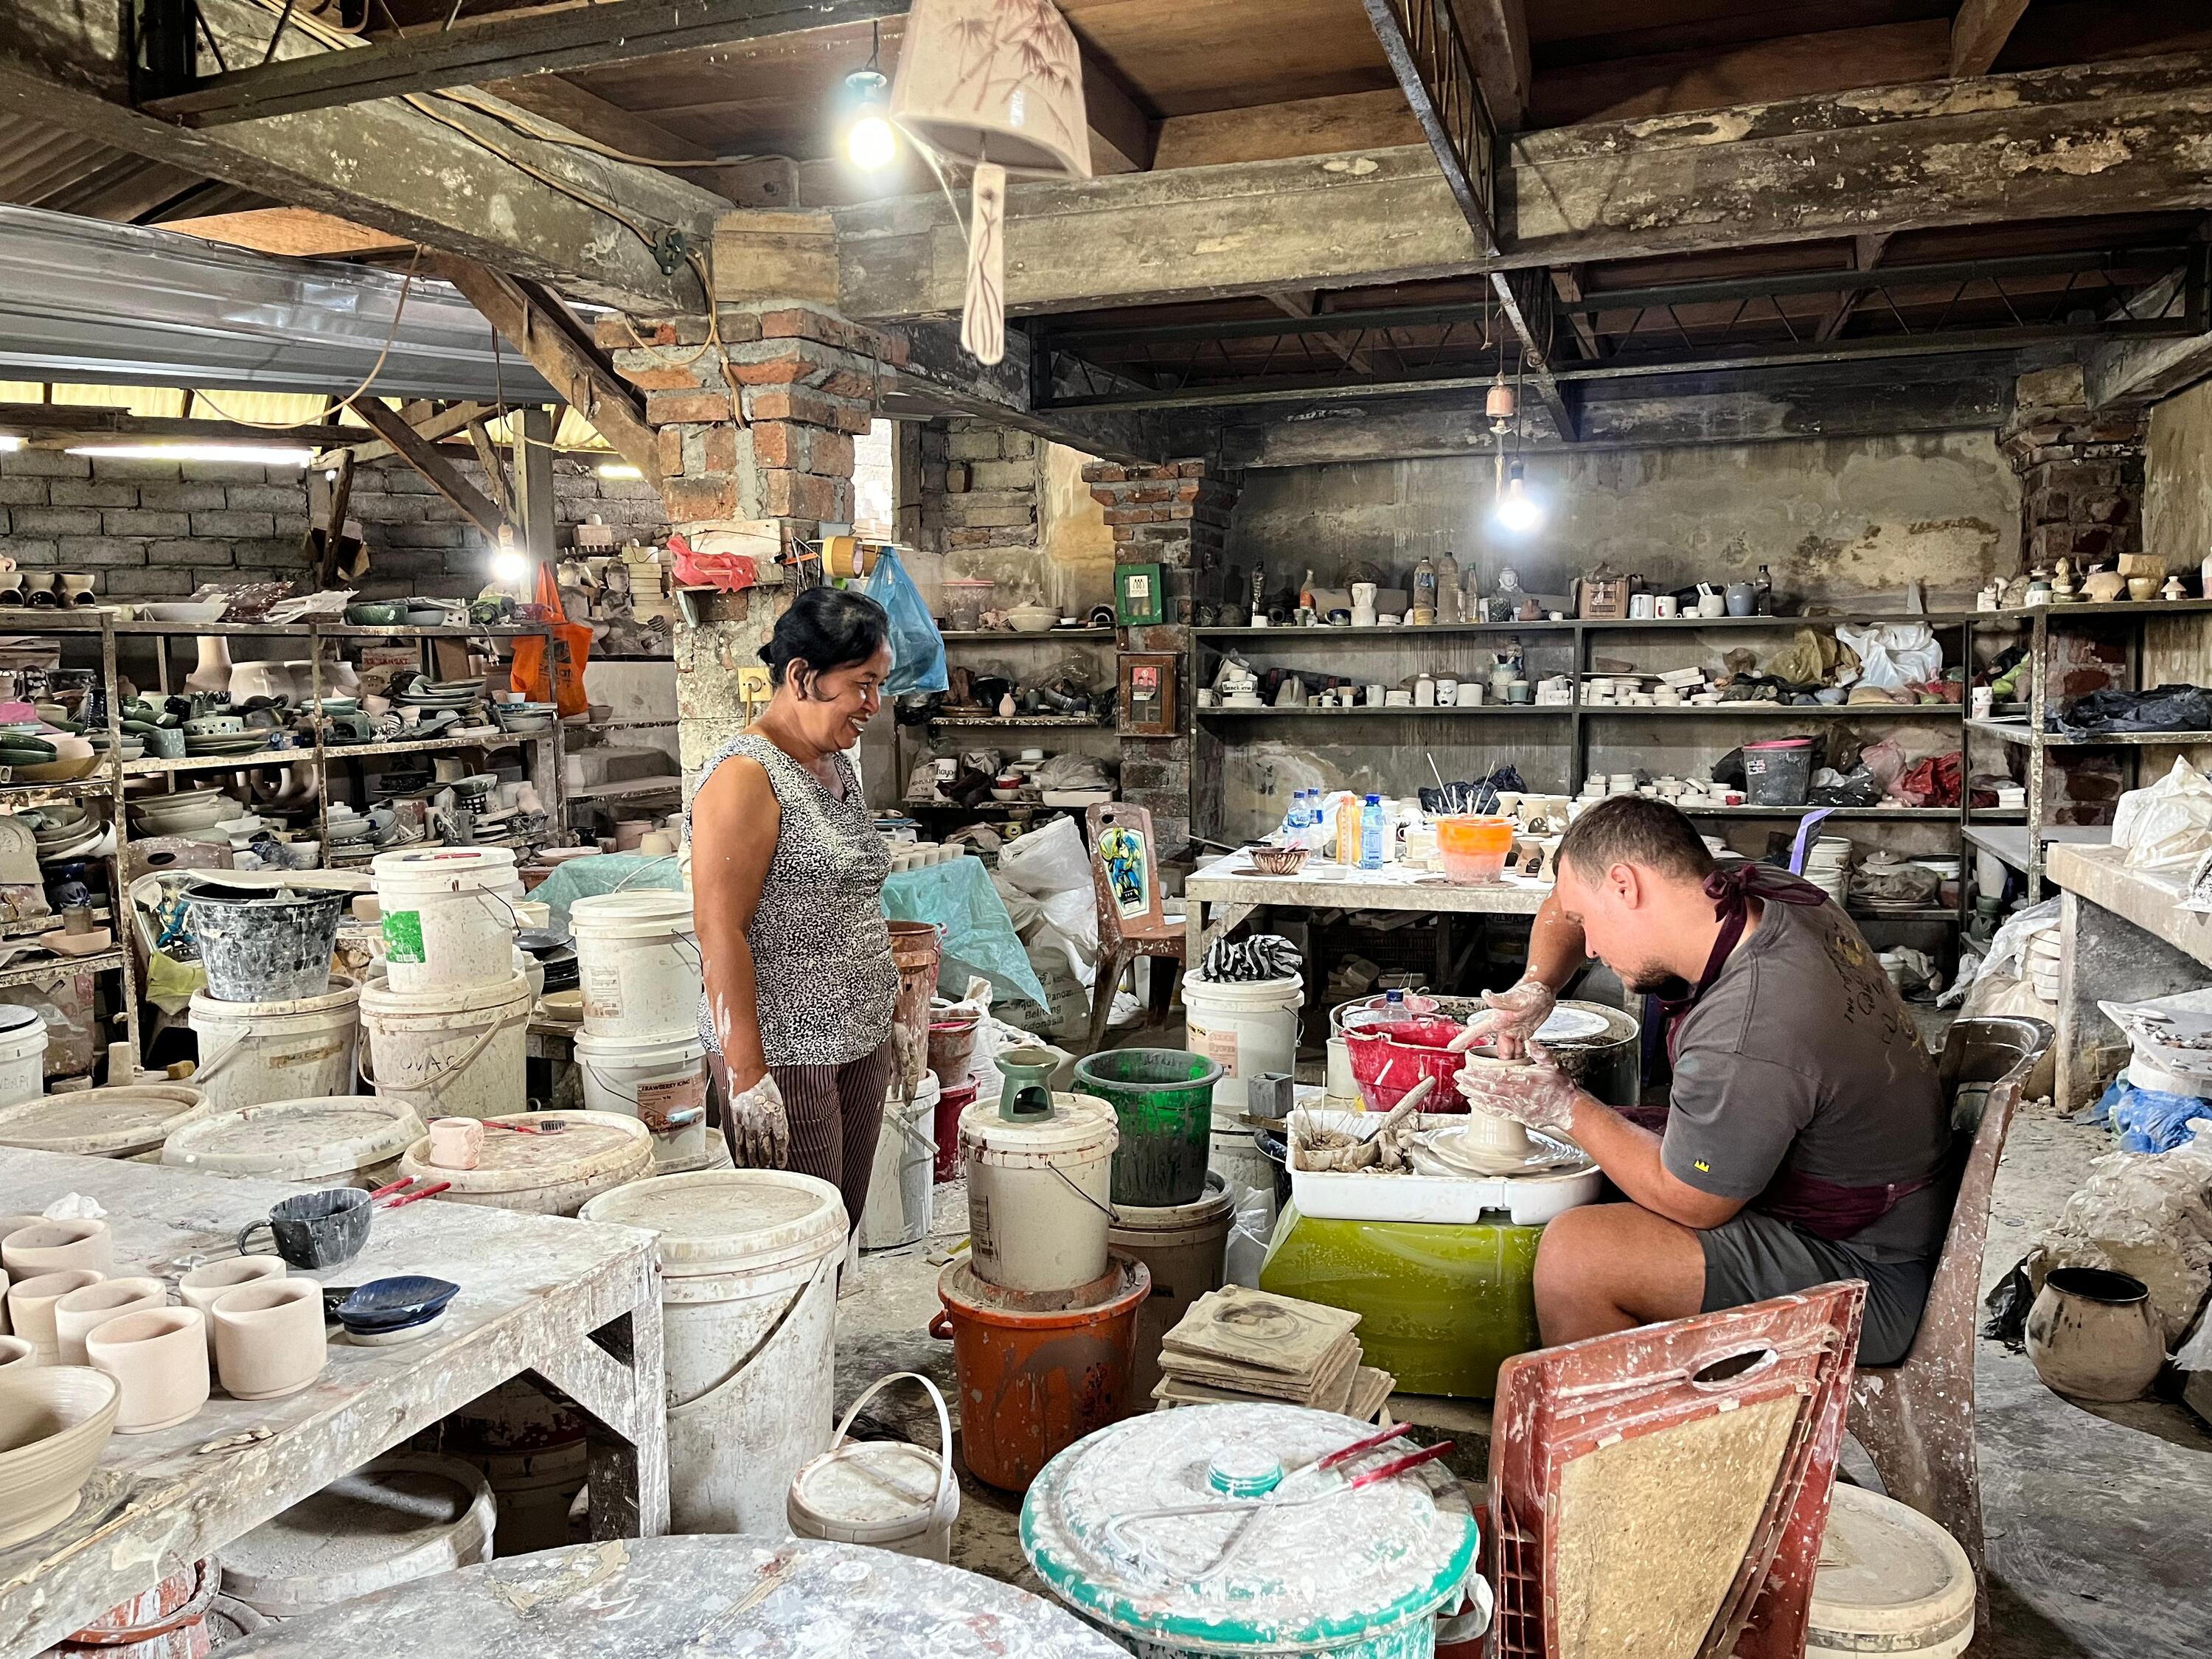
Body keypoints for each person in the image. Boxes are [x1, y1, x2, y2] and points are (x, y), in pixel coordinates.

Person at [1458, 795, 1949, 1363]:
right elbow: (1565, 901)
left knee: (1580, 1256)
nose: (1588, 946)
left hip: (1866, 1273)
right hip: (1864, 1196)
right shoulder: (1755, 890)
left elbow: (1693, 1203)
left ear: (1625, 886)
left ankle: (1623, 1418)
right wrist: (1538, 985)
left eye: (1589, 923)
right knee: (1592, 1154)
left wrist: (1563, 1105)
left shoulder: (1750, 1026)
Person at [689, 587, 897, 1234]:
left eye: (880, 685)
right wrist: (747, 1074)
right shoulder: (745, 777)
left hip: (859, 1035)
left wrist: (895, 1010)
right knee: (800, 1237)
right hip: (788, 1052)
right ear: (803, 677)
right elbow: (719, 928)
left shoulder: (833, 763)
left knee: (842, 1225)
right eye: (863, 684)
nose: (874, 705)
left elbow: (848, 899)